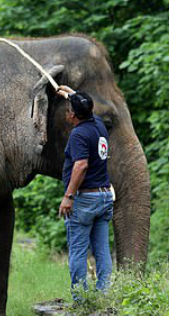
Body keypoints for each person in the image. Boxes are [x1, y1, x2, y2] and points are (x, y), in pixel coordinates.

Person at [56, 85, 114, 300]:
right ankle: (104, 295)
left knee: (78, 250)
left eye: (68, 108)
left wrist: (68, 196)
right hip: (104, 195)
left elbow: (81, 166)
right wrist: (72, 95)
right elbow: (85, 108)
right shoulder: (98, 124)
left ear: (72, 114)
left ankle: (81, 299)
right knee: (102, 249)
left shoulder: (79, 134)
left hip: (85, 199)